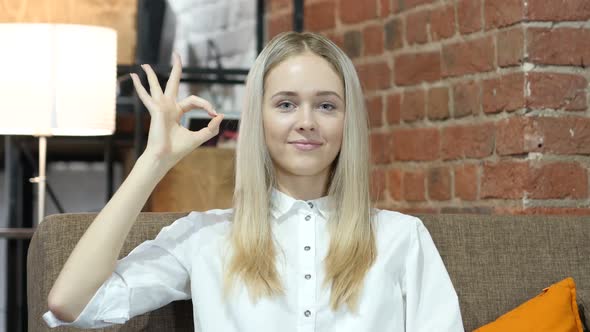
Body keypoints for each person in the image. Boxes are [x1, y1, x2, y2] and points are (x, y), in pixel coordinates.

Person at [43, 31, 465, 331]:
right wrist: (153, 162)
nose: (306, 122)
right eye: (285, 104)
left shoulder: (402, 238)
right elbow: (70, 304)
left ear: (347, 121)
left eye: (326, 105)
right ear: (258, 119)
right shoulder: (205, 238)